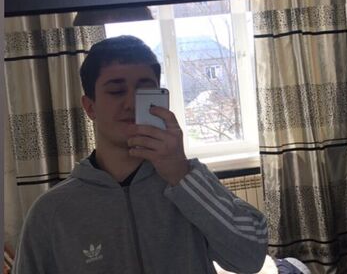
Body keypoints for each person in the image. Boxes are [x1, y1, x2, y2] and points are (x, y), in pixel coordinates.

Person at [12, 35, 268, 274]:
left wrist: (181, 175)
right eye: (116, 91)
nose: (132, 103)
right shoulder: (51, 212)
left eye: (144, 91)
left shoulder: (189, 183)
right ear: (90, 107)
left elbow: (251, 258)